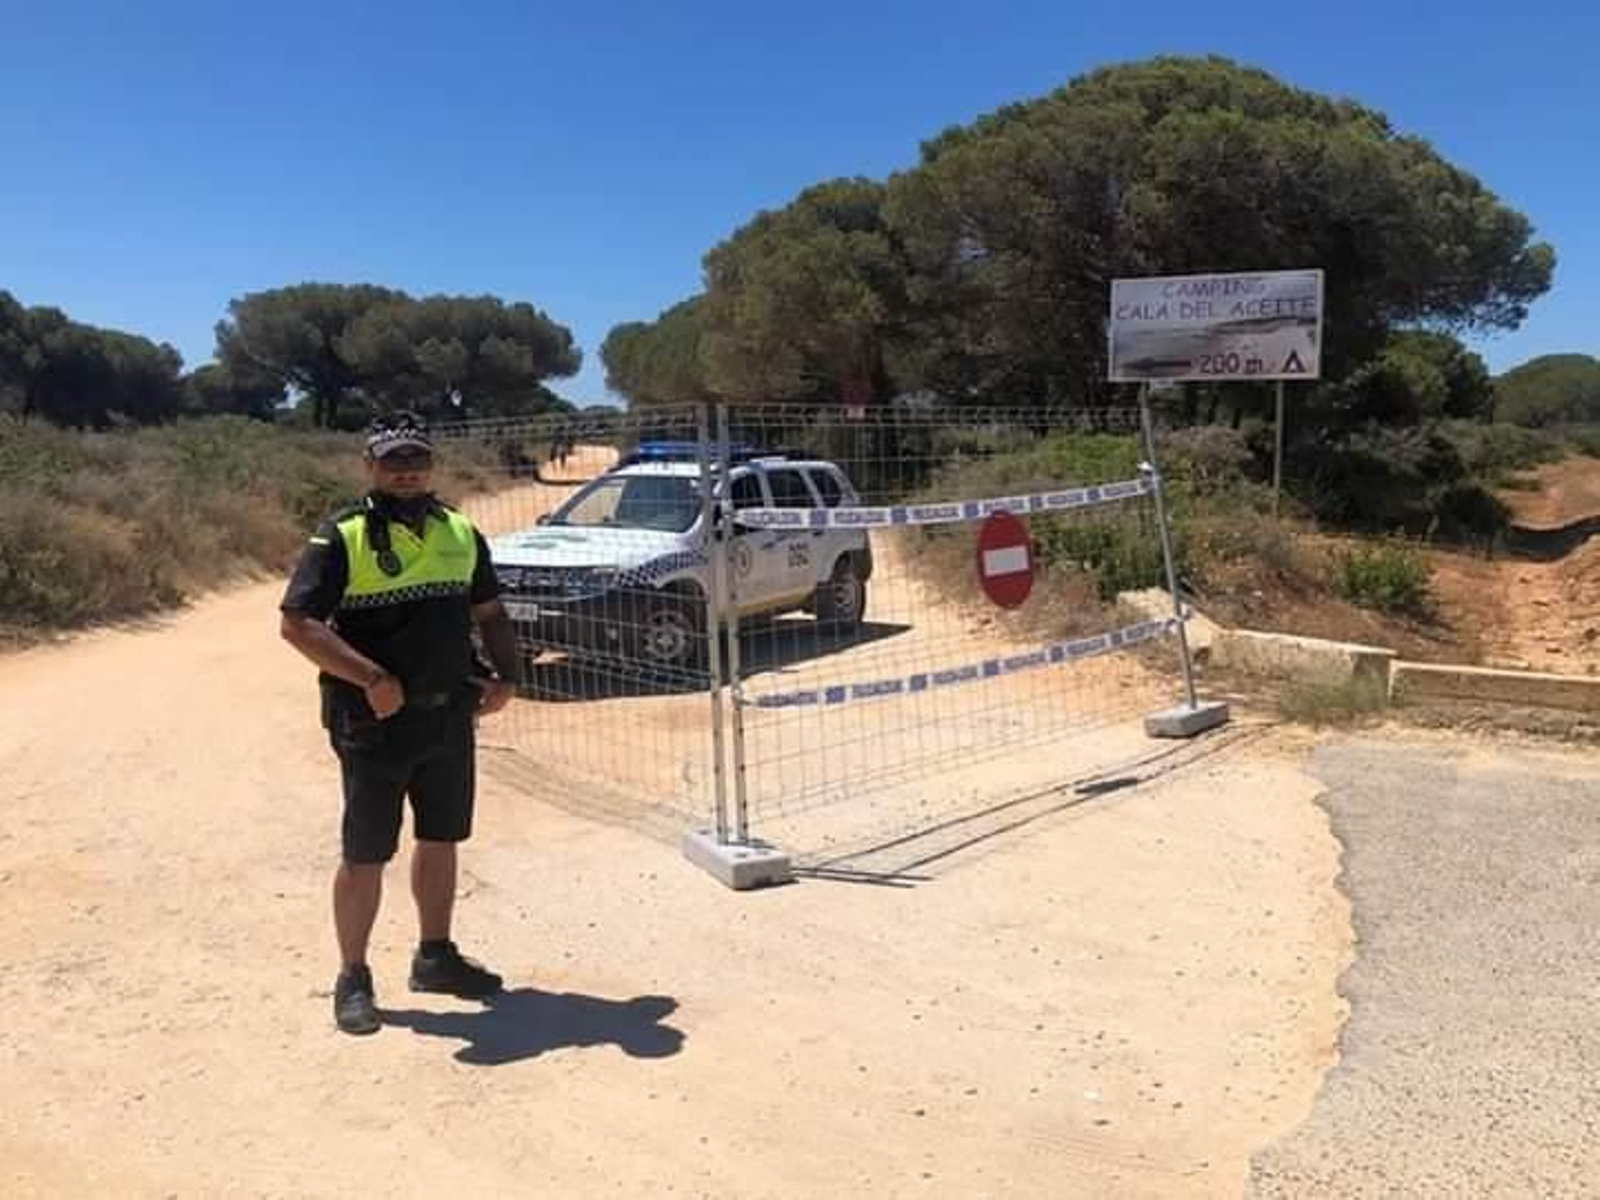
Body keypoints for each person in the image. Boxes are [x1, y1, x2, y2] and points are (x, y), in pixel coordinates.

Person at [280, 410, 521, 1036]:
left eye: (416, 459)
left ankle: (434, 956)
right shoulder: (343, 536)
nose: (407, 471)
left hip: (449, 716)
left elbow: (490, 611)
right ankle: (353, 976)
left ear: (431, 465)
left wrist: (507, 676)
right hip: (372, 724)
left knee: (441, 840)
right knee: (365, 853)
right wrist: (372, 680)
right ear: (370, 467)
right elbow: (298, 624)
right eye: (393, 461)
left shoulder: (461, 532)